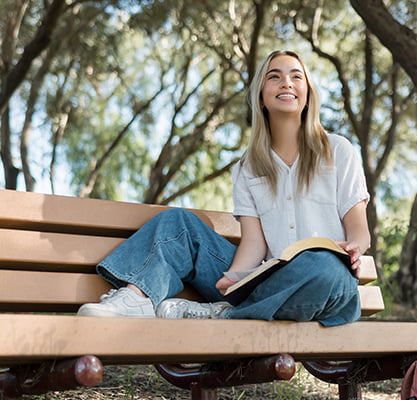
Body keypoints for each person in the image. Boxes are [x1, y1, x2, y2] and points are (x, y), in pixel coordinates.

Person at [77, 50, 371, 327]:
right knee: (178, 223)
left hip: (327, 282)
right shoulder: (249, 167)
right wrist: (235, 277)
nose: (287, 82)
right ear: (261, 95)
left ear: (308, 94)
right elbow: (254, 243)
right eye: (274, 76)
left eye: (296, 76)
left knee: (322, 265)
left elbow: (359, 230)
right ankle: (136, 298)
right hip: (267, 279)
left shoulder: (338, 150)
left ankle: (229, 315)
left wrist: (353, 248)